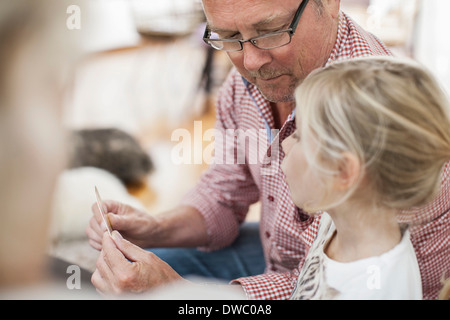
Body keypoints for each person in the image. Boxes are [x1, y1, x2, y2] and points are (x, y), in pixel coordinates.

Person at [88, 0, 444, 299]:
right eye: (228, 38)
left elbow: (312, 289)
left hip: (319, 282)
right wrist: (154, 226)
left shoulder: (374, 119)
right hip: (294, 263)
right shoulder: (249, 80)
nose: (251, 63)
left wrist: (183, 295)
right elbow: (224, 192)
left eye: (270, 31)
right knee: (136, 269)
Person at [281, 56, 450, 299]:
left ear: (343, 171)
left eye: (299, 137)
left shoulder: (374, 290)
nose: (285, 143)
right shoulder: (339, 218)